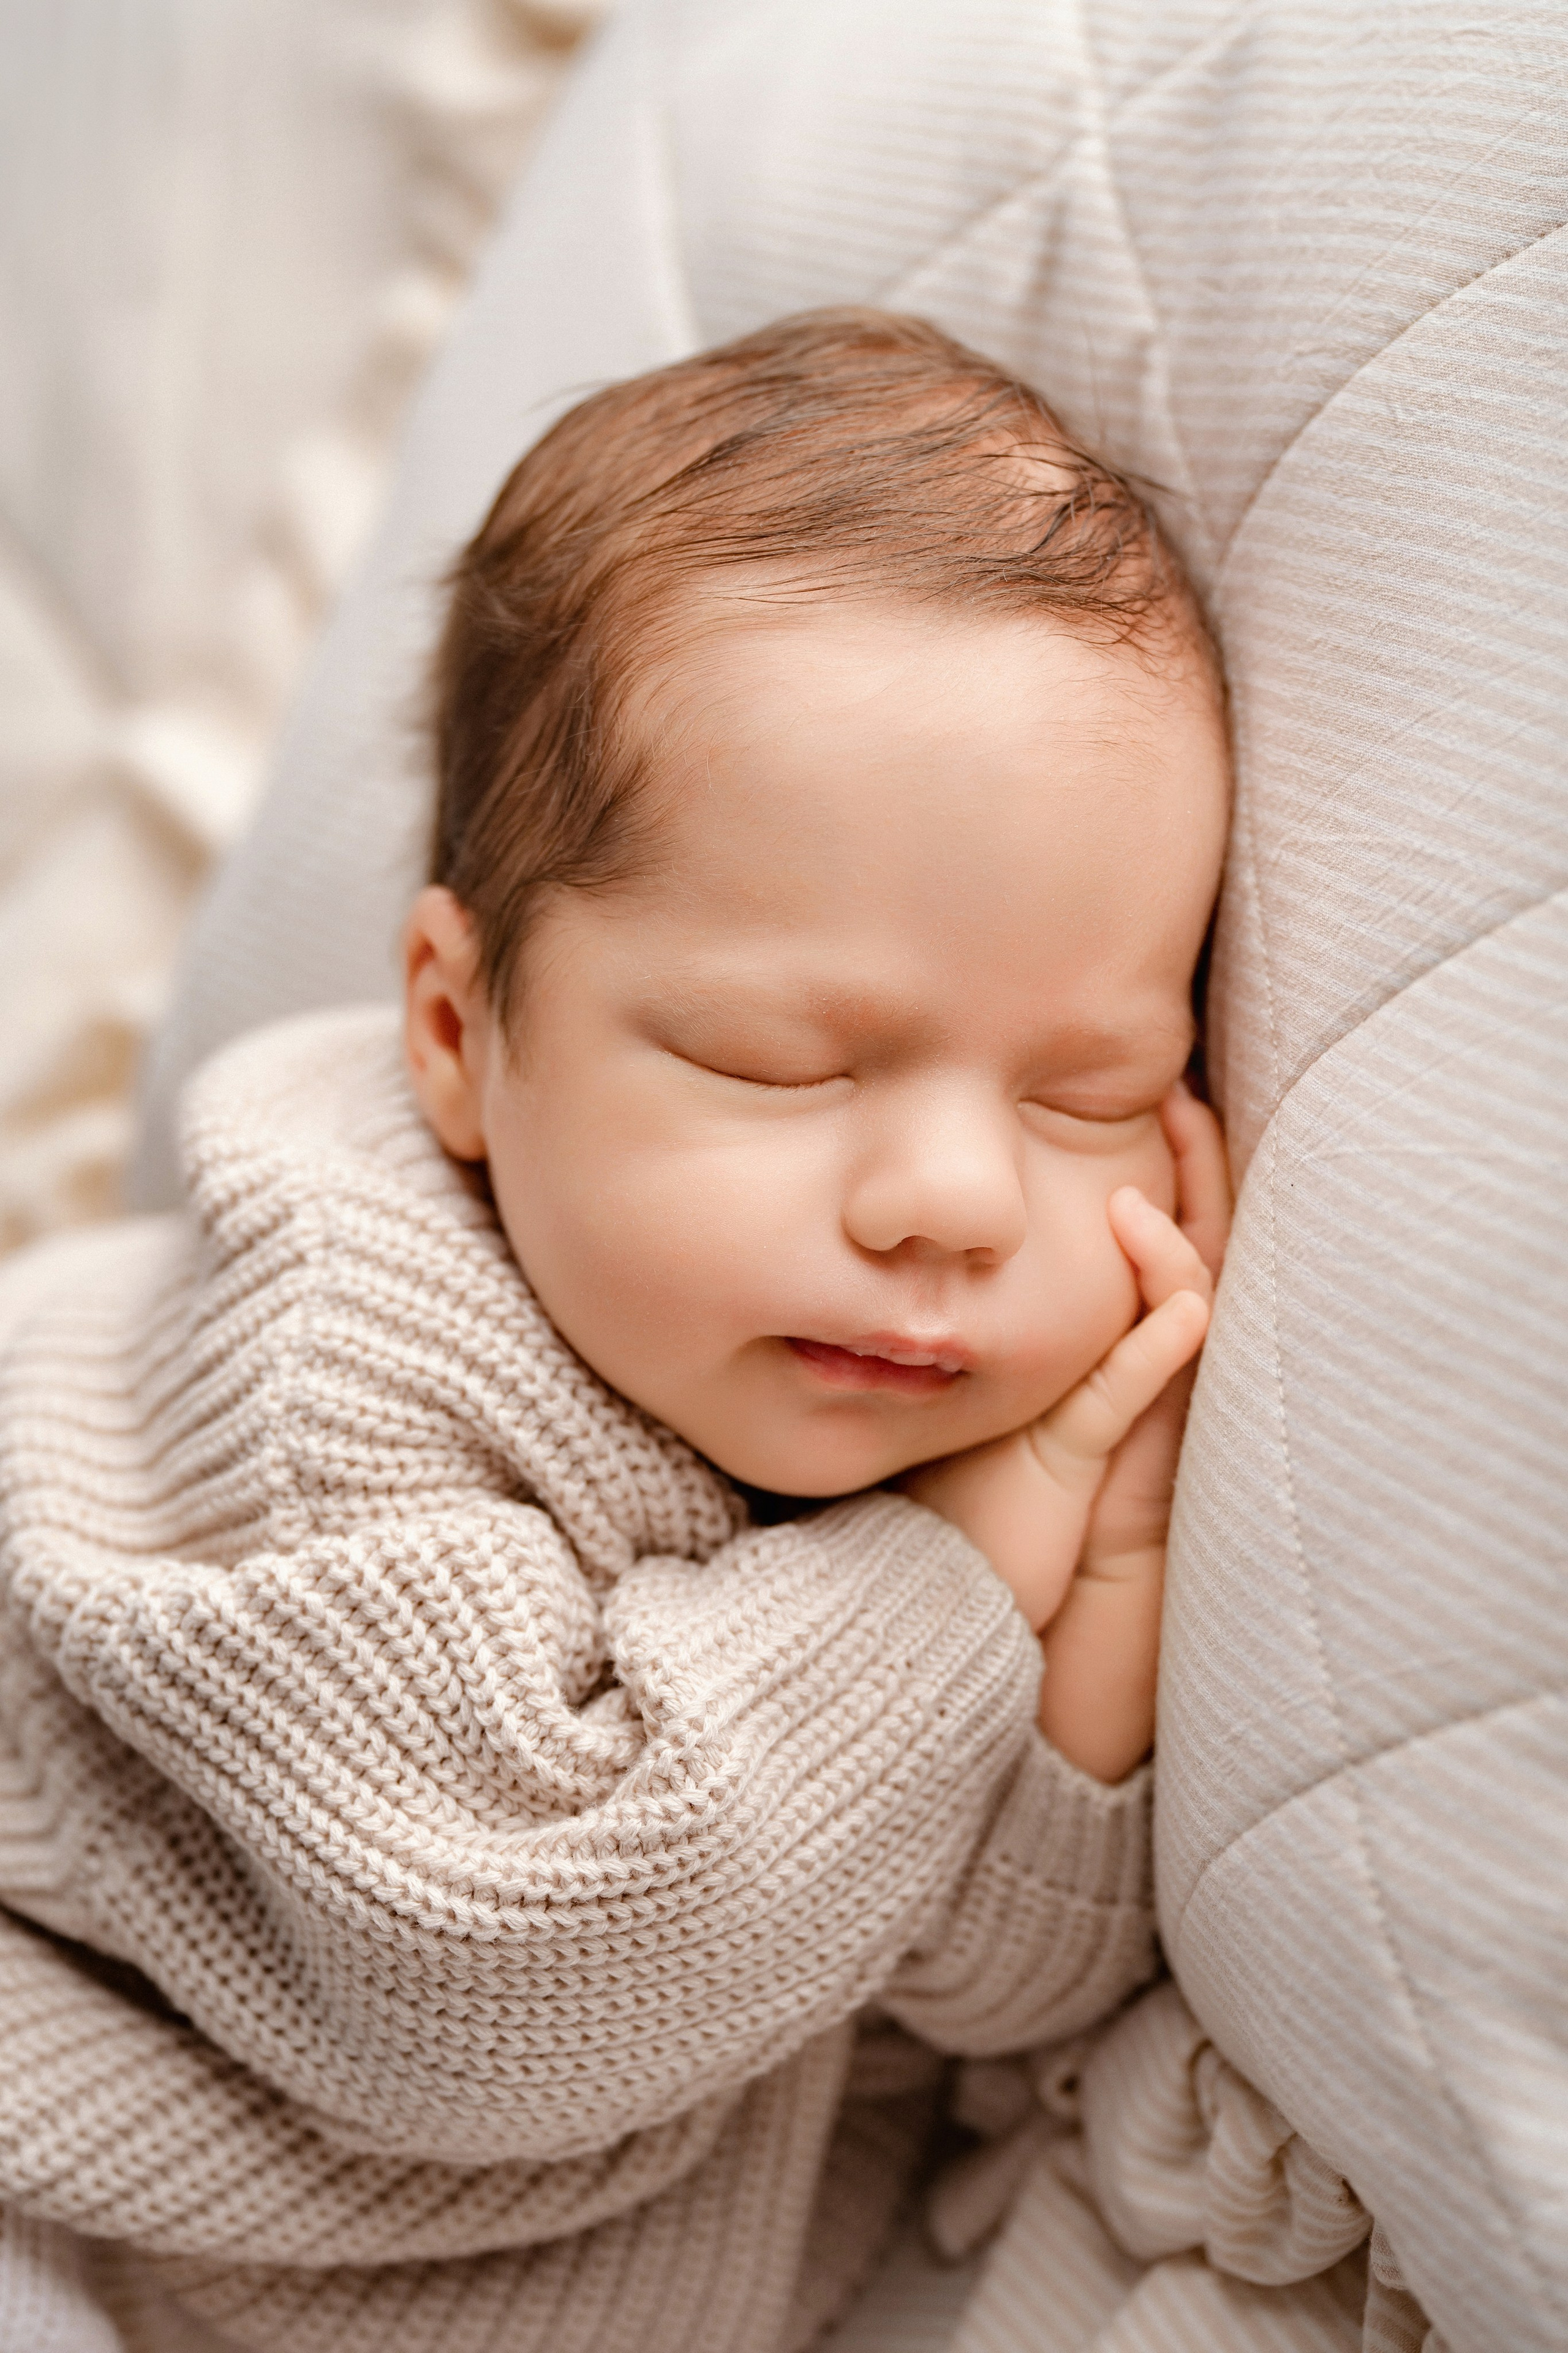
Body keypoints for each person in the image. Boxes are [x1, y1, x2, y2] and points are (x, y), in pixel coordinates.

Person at [0, 309, 1231, 2353]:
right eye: (775, 1059)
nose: (951, 1196)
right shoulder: (342, 1357)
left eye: (1087, 1090)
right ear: (463, 1039)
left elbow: (970, 1995)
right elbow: (499, 1971)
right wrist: (946, 1584)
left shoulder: (865, 1398)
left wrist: (1090, 1575)